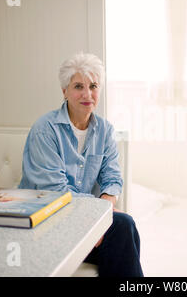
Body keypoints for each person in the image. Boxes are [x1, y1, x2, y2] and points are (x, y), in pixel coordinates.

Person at [18, 52, 143, 277]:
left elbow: (112, 179)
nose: (87, 94)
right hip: (46, 225)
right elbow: (55, 192)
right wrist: (97, 217)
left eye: (93, 86)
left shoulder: (104, 130)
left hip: (83, 221)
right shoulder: (45, 130)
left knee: (124, 228)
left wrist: (102, 215)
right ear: (64, 91)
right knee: (124, 226)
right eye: (78, 86)